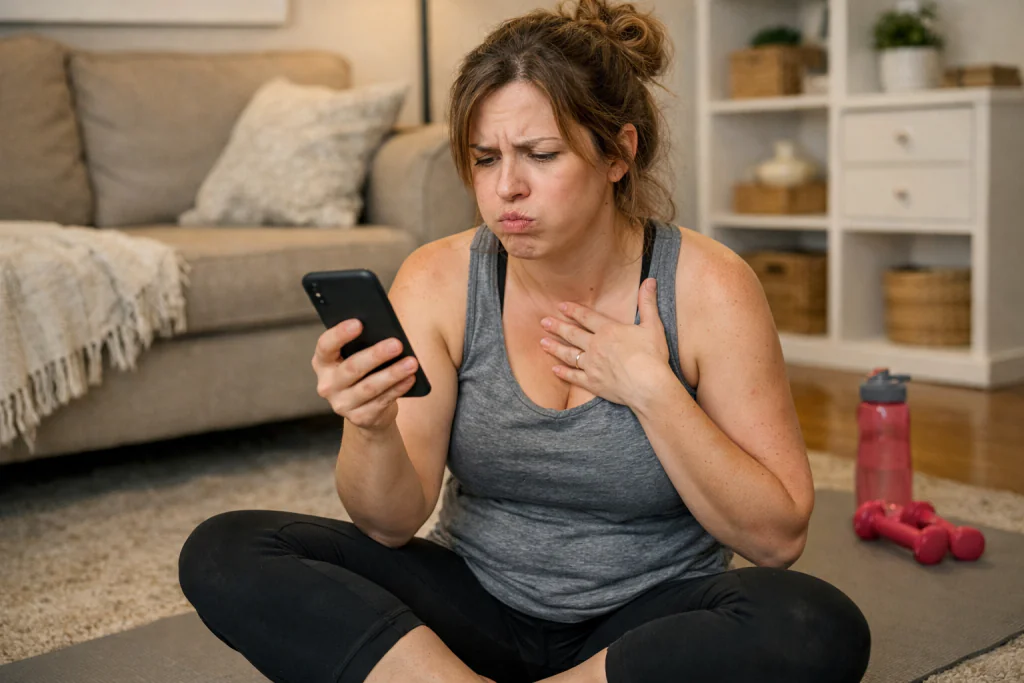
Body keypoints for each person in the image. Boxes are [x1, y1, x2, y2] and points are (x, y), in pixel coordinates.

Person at [178, 1, 872, 681]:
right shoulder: (439, 280)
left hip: (644, 626)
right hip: (474, 607)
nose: (507, 187)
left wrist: (654, 392)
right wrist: (371, 426)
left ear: (617, 154)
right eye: (485, 159)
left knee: (814, 623)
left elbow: (777, 538)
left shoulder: (709, 286)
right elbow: (390, 524)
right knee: (226, 549)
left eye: (540, 154)